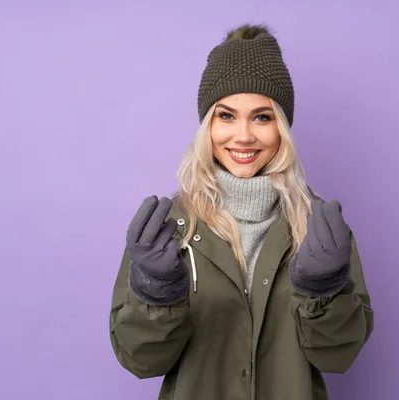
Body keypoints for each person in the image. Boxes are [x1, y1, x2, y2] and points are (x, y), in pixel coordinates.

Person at [109, 23, 374, 400]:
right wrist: (156, 293)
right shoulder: (167, 230)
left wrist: (324, 292)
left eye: (262, 117)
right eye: (227, 116)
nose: (244, 136)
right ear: (207, 125)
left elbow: (339, 355)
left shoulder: (320, 231)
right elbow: (141, 360)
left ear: (282, 126)